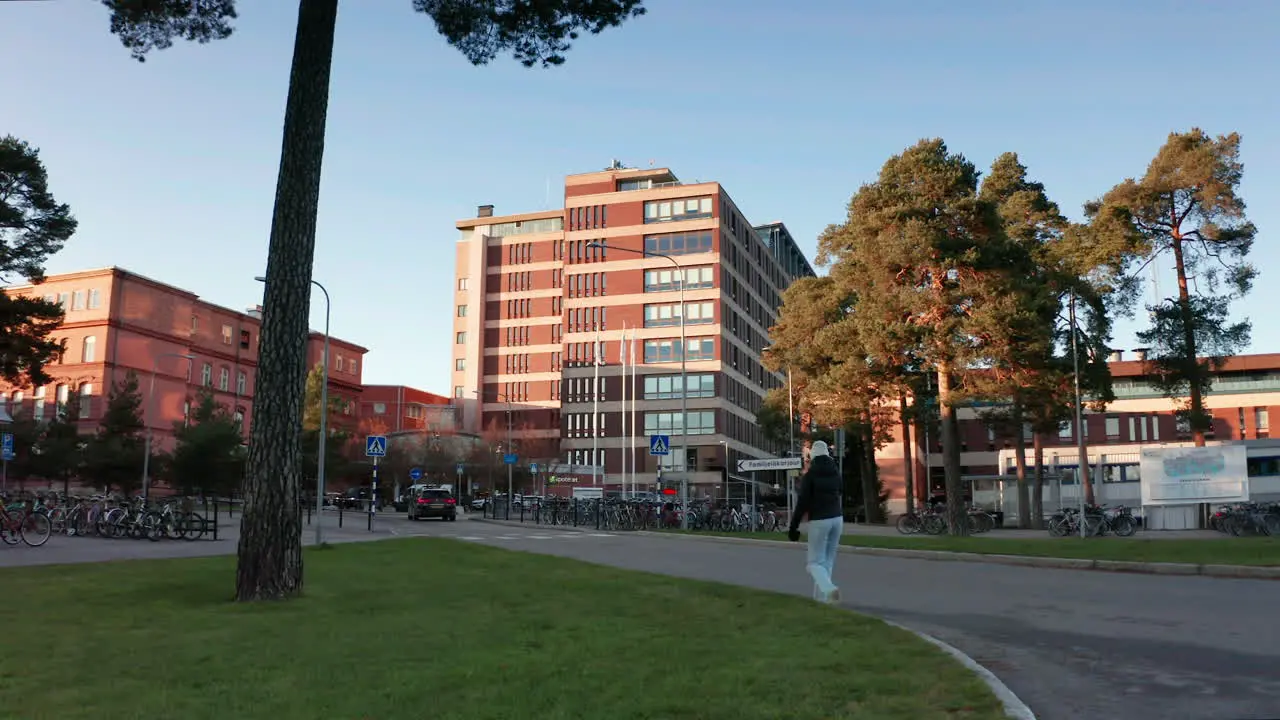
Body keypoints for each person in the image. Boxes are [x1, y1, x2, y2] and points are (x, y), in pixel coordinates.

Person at [787, 440, 843, 604]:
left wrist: (794, 526)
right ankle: (822, 600)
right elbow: (840, 491)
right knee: (827, 562)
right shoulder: (835, 472)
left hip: (820, 520)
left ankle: (829, 590)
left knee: (813, 563)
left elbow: (802, 502)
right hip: (837, 519)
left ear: (813, 456)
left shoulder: (810, 475)